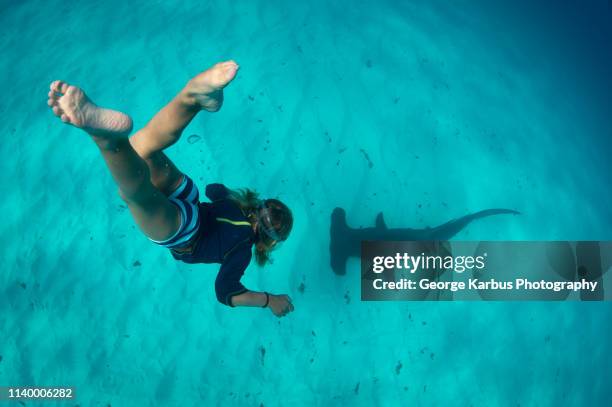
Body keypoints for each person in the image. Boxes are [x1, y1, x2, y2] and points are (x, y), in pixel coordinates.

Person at [47, 60, 295, 317]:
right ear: (269, 242)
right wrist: (269, 300)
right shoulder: (242, 250)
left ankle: (191, 98)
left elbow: (213, 188)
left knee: (144, 148)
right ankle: (104, 138)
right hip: (185, 233)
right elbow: (225, 292)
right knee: (136, 195)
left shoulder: (234, 205)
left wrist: (234, 200)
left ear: (260, 206)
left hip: (190, 197)